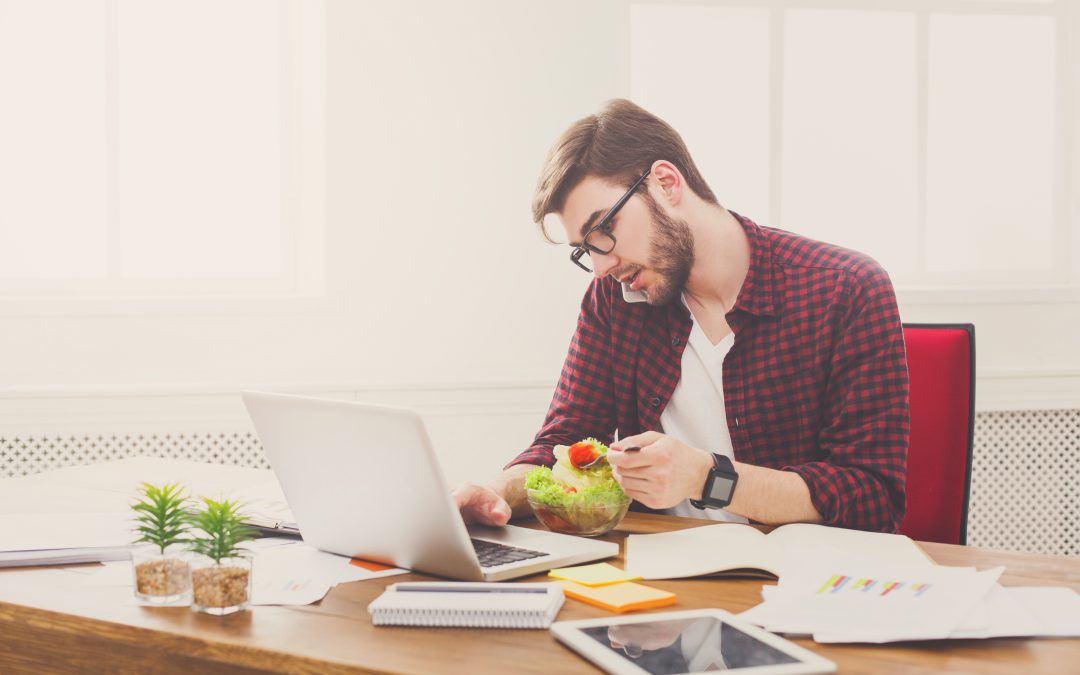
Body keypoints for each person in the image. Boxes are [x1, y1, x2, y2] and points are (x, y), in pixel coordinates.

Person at [454, 99, 908, 533]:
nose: (602, 266)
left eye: (604, 230)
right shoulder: (614, 301)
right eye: (585, 249)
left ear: (666, 184)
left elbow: (871, 497)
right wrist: (493, 493)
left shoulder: (846, 288)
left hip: (795, 590)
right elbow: (565, 442)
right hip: (659, 583)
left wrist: (707, 478)